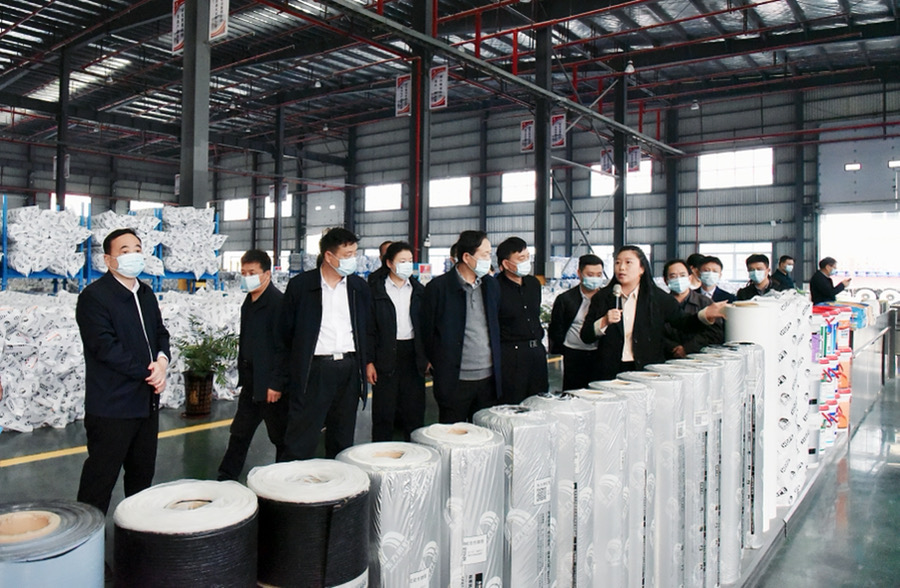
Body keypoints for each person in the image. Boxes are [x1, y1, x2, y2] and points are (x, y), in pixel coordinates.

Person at [75, 228, 170, 515]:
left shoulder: (146, 293)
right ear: (108, 260)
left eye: (138, 249)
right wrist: (149, 372)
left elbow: (160, 333)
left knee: (142, 479)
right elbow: (105, 347)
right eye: (125, 251)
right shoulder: (95, 297)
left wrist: (162, 362)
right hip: (112, 407)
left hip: (146, 404)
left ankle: (136, 533)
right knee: (100, 481)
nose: (134, 255)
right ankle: (89, 539)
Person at [269, 227, 370, 460]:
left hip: (348, 369)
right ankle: (293, 481)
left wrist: (367, 363)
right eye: (347, 255)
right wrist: (277, 380)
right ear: (329, 256)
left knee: (342, 437)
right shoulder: (301, 287)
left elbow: (367, 330)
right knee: (301, 438)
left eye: (355, 254)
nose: (353, 260)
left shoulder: (359, 288)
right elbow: (284, 337)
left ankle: (339, 480)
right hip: (313, 371)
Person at [579, 245, 726, 380]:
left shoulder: (658, 298)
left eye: (628, 262)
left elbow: (683, 323)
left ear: (642, 268)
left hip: (646, 370)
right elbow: (586, 336)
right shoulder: (602, 298)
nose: (621, 267)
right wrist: (604, 321)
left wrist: (705, 315)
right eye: (617, 263)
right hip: (609, 371)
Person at [217, 250, 286, 481]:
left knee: (280, 437)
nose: (246, 277)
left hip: (270, 387)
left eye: (252, 273)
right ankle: (226, 477)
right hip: (251, 382)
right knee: (239, 432)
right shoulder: (249, 302)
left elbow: (284, 349)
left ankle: (284, 481)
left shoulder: (278, 304)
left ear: (267, 274)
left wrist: (276, 383)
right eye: (244, 273)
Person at [422, 230, 502, 423]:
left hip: (488, 379)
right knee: (453, 433)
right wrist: (431, 362)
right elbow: (426, 330)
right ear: (467, 257)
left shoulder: (491, 286)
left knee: (483, 433)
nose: (488, 259)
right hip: (454, 379)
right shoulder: (438, 288)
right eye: (485, 255)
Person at [366, 241, 428, 441]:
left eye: (410, 261)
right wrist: (369, 361)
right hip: (385, 355)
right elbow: (369, 330)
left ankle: (415, 453)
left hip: (413, 355)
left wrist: (427, 357)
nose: (407, 265)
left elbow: (426, 328)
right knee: (383, 414)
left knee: (414, 413)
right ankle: (381, 453)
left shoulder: (419, 291)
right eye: (402, 261)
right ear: (389, 263)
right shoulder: (376, 292)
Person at [496, 237, 548, 404]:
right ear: (506, 263)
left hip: (537, 352)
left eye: (527, 257)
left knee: (539, 401)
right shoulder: (495, 287)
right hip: (511, 355)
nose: (526, 262)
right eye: (521, 258)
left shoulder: (533, 284)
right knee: (514, 403)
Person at [548, 254, 605, 389]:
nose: (595, 278)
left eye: (599, 275)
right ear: (579, 273)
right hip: (574, 354)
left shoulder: (606, 299)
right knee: (573, 391)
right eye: (590, 274)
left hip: (600, 354)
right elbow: (556, 328)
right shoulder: (565, 299)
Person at [661, 259, 724, 358]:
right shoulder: (660, 304)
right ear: (665, 280)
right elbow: (655, 333)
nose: (678, 279)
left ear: (690, 278)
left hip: (698, 358)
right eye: (673, 276)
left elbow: (715, 333)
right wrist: (672, 347)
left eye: (682, 275)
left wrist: (687, 348)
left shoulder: (705, 302)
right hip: (666, 357)